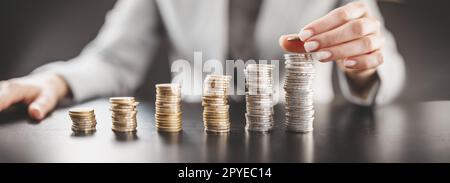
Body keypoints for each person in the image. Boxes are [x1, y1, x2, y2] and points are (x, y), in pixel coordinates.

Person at [0, 0, 405, 120]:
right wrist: (54, 82)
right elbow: (113, 59)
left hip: (304, 138)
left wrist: (365, 65)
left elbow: (390, 68)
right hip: (193, 143)